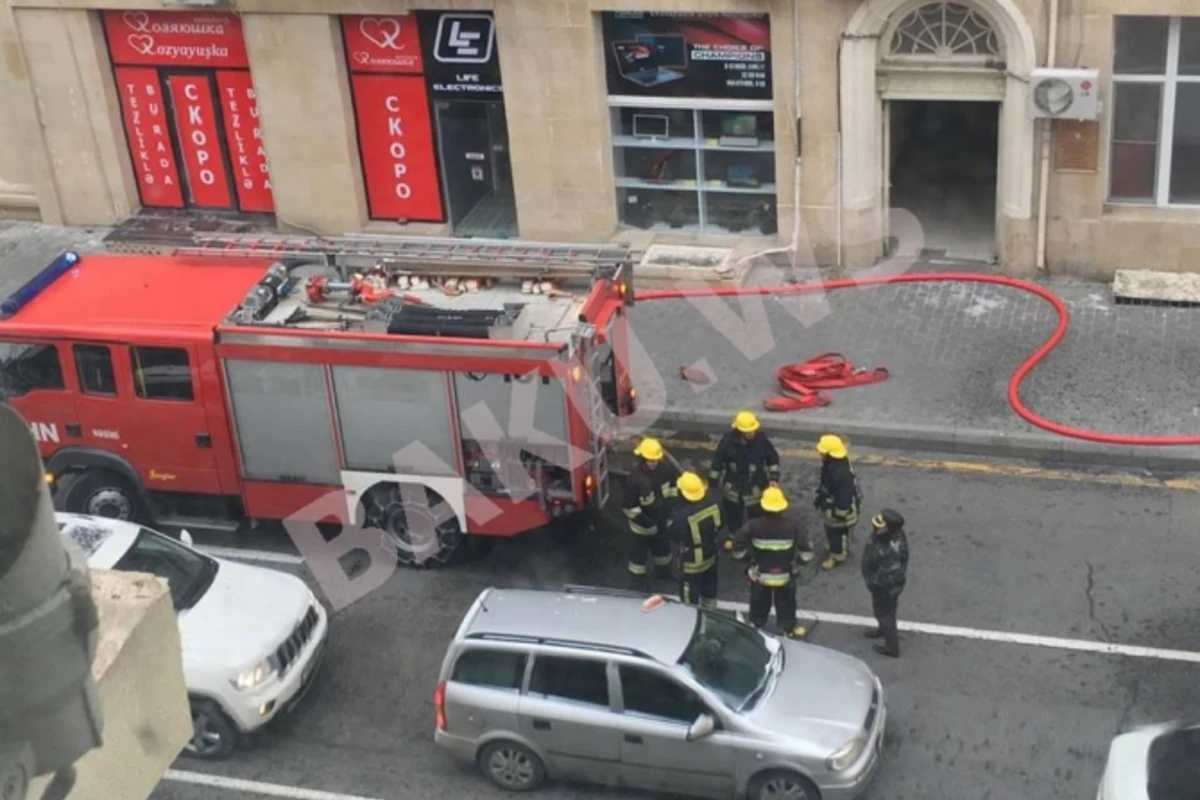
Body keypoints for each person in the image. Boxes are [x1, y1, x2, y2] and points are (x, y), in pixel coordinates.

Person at [725, 486, 814, 639]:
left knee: (759, 602)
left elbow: (737, 549)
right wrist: (795, 564)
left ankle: (756, 625)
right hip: (785, 575)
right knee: (786, 604)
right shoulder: (794, 527)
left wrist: (749, 562)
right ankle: (788, 630)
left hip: (760, 575)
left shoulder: (752, 526)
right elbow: (807, 554)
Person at [709, 411, 781, 537]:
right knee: (733, 514)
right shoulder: (728, 441)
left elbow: (772, 459)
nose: (751, 433)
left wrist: (774, 478)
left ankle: (755, 534)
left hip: (756, 486)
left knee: (757, 514)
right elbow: (717, 461)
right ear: (739, 431)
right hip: (733, 487)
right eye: (748, 431)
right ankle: (734, 535)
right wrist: (713, 484)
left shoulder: (761, 440)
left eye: (753, 430)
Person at [621, 437, 681, 588]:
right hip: (641, 528)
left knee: (663, 553)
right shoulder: (634, 479)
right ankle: (638, 583)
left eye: (655, 460)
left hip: (661, 522)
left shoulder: (666, 470)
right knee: (638, 559)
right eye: (650, 460)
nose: (653, 463)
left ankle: (663, 573)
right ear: (642, 459)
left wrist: (670, 510)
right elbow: (629, 508)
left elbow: (673, 489)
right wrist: (649, 523)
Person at [666, 472, 724, 609]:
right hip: (711, 552)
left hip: (692, 559)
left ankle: (690, 618)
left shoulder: (682, 516)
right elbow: (722, 524)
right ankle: (711, 614)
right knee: (709, 585)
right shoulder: (714, 502)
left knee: (688, 593)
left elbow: (674, 535)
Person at [861, 509, 909, 658]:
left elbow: (887, 577)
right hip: (879, 584)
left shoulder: (891, 550)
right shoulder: (883, 535)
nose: (875, 527)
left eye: (880, 525)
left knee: (886, 615)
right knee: (881, 612)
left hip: (886, 589)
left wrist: (873, 584)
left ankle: (891, 647)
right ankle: (882, 629)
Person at [813, 434, 860, 570]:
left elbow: (844, 495)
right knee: (833, 530)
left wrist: (840, 512)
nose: (820, 453)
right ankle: (836, 546)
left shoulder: (840, 472)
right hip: (833, 505)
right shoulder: (835, 465)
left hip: (838, 509)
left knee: (836, 532)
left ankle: (837, 555)